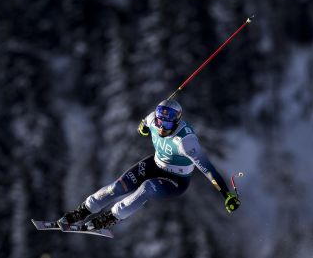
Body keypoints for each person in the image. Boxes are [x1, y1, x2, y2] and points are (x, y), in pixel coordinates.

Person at [59, 99, 241, 231]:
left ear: (177, 121)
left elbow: (208, 169)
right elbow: (144, 123)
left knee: (148, 187)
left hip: (176, 180)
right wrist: (143, 127)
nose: (162, 127)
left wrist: (226, 194)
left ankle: (110, 218)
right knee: (117, 187)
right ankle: (82, 211)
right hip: (154, 164)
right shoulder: (154, 118)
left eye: (168, 122)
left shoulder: (185, 141)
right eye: (161, 121)